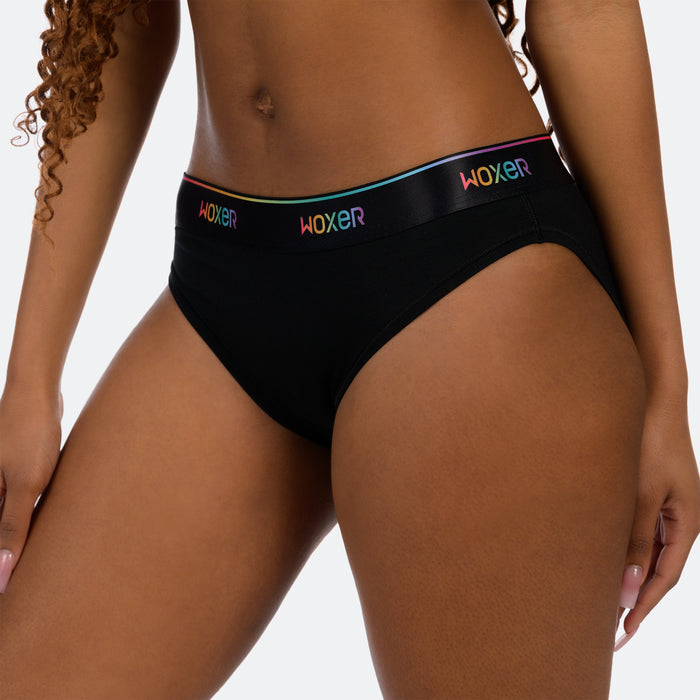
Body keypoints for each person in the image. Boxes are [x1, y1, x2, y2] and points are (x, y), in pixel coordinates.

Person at [0, 1, 698, 698]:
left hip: (467, 257)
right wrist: (31, 381)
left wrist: (667, 385)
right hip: (226, 273)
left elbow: (584, 14)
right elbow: (116, 26)